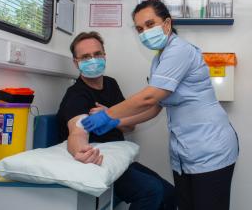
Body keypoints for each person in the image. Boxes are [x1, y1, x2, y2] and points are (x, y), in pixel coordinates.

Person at [81, 0, 239, 210]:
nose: (144, 32)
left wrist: (108, 115)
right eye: (139, 29)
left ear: (166, 24)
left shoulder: (179, 50)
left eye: (149, 24)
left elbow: (149, 97)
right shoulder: (159, 60)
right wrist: (118, 121)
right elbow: (155, 107)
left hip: (210, 146)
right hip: (185, 152)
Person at [57, 31, 176, 210]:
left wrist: (110, 116)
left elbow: (130, 126)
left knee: (171, 194)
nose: (93, 60)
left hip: (118, 158)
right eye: (85, 57)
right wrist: (80, 152)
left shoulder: (111, 84)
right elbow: (77, 131)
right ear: (76, 62)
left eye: (97, 54)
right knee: (151, 191)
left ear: (104, 55)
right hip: (99, 162)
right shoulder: (76, 95)